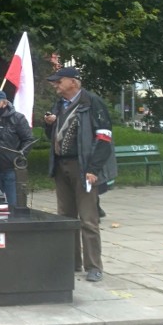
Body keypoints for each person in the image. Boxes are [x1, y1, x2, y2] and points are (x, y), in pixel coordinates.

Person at [43, 67, 116, 282]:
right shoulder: (59, 104)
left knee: (88, 219)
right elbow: (53, 136)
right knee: (65, 217)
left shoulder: (92, 103)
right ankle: (71, 262)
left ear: (73, 82)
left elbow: (104, 139)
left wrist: (93, 169)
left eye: (59, 81)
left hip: (83, 167)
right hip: (60, 166)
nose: (55, 84)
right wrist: (49, 125)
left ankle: (94, 266)